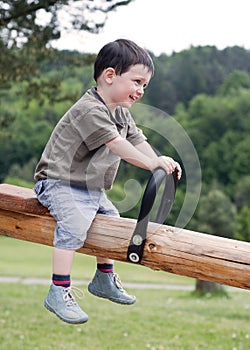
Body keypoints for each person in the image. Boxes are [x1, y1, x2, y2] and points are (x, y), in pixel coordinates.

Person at [34, 38, 182, 325]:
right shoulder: (90, 109)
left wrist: (158, 162)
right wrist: (151, 163)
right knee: (74, 225)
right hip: (57, 182)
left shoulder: (121, 113)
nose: (140, 90)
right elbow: (118, 145)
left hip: (89, 187)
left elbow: (136, 140)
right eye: (137, 81)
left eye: (145, 85)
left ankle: (103, 277)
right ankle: (58, 290)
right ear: (110, 75)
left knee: (111, 221)